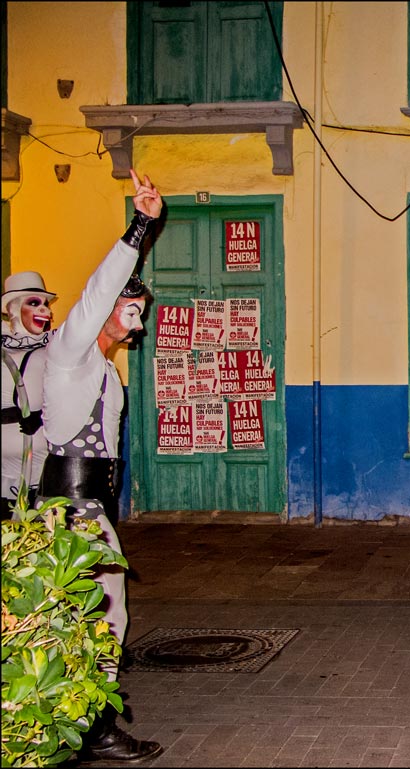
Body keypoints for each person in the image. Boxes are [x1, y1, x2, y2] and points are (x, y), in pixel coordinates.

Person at [37, 168, 164, 765]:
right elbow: (95, 292)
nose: (137, 325)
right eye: (131, 312)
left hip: (90, 511)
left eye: (140, 313)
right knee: (96, 616)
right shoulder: (69, 355)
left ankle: (83, 723)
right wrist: (140, 225)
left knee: (99, 615)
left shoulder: (105, 371)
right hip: (69, 513)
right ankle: (89, 729)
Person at [1, 271, 56, 516]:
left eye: (45, 304)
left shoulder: (54, 348)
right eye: (34, 303)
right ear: (14, 308)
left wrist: (43, 418)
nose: (45, 310)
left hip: (38, 451)